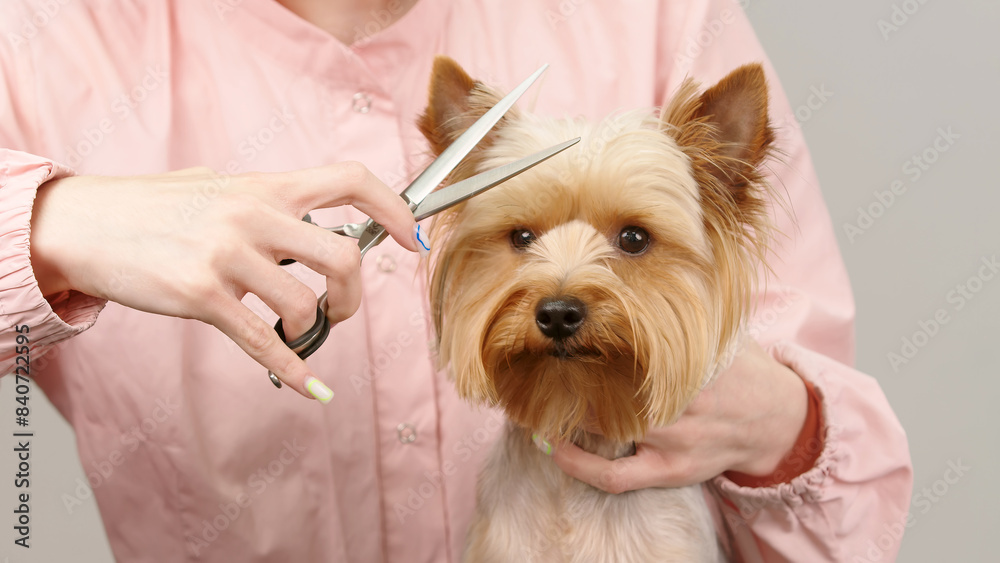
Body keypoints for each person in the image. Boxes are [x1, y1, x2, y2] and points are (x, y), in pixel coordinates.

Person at [0, 0, 912, 561]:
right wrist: (48, 222)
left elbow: (852, 515)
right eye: (520, 236)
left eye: (630, 237)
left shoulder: (652, 13)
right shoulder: (44, 40)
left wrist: (782, 427)